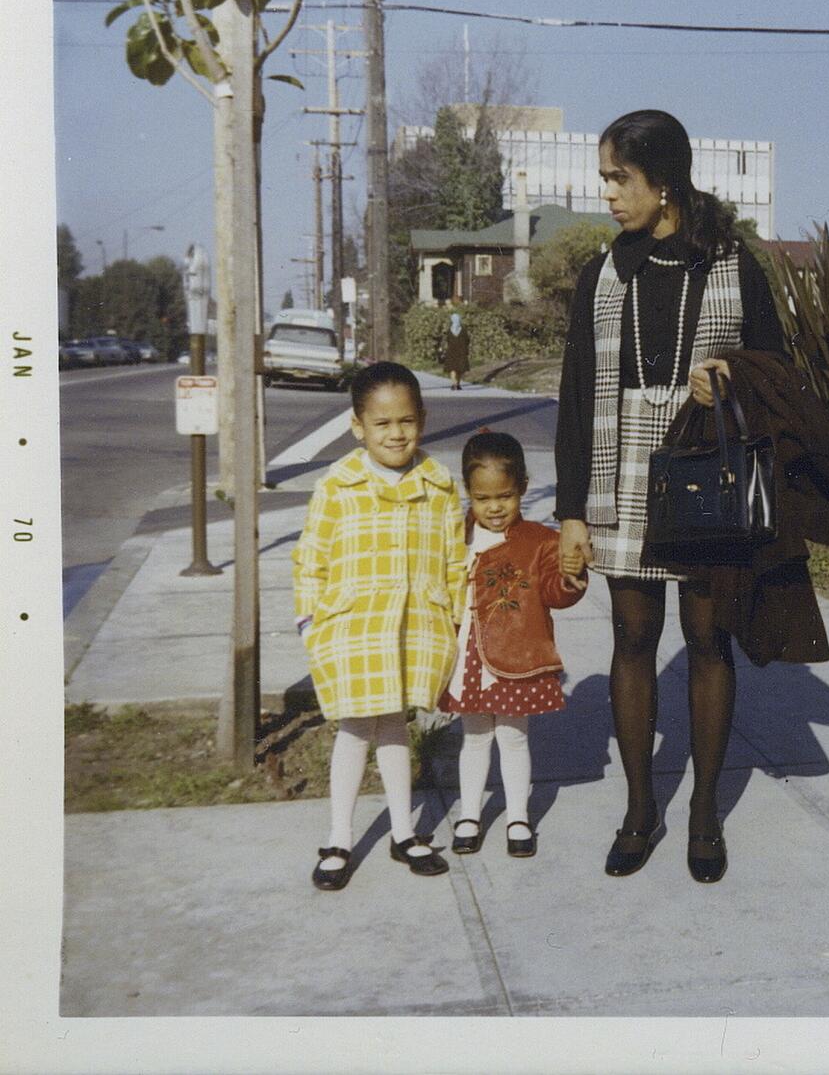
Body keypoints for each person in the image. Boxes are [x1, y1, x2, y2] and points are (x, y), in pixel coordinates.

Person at [555, 109, 788, 884]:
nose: (610, 196)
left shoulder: (732, 264)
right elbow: (576, 394)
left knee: (708, 638)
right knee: (630, 638)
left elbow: (777, 372)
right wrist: (569, 514)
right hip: (619, 470)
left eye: (620, 179)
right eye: (606, 180)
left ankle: (702, 814)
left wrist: (726, 376)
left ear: (665, 180)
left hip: (703, 469)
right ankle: (639, 808)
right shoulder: (604, 271)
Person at [293, 361, 467, 890]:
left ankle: (402, 831)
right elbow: (311, 557)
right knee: (353, 729)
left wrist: (455, 618)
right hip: (353, 627)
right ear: (358, 426)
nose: (396, 433)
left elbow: (454, 559)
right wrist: (309, 620)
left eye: (407, 422)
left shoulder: (439, 485)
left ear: (422, 419)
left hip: (415, 624)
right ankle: (339, 838)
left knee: (395, 726)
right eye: (383, 423)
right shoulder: (338, 485)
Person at [439, 431, 587, 857]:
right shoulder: (456, 535)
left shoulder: (540, 540)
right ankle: (470, 814)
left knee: (514, 737)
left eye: (505, 496)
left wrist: (571, 573)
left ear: (522, 487)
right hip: (467, 657)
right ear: (469, 493)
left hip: (517, 657)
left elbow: (557, 594)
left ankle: (518, 816)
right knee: (475, 737)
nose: (495, 508)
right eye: (483, 499)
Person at [441, 305, 470, 391]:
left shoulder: (449, 330)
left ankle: (454, 383)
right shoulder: (463, 330)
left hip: (451, 351)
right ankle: (458, 384)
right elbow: (468, 340)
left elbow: (447, 340)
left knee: (452, 368)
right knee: (460, 369)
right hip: (461, 352)